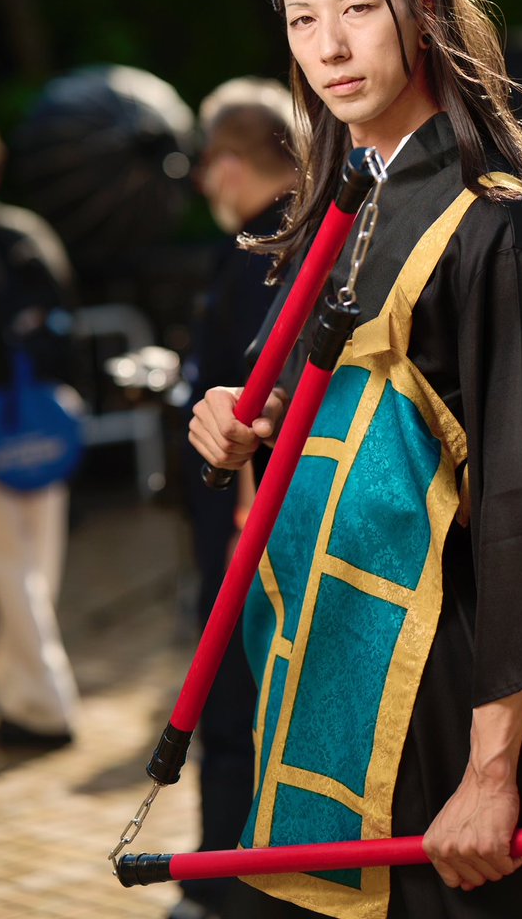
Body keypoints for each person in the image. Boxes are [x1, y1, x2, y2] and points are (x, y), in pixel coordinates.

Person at [189, 0, 522, 918]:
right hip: (329, 675)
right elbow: (335, 411)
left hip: (450, 693)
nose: (329, 46)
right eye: (302, 19)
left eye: (357, 9)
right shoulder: (342, 203)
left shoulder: (488, 225)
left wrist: (492, 774)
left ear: (422, 11)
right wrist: (240, 417)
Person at [171, 78, 298, 919]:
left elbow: (263, 396)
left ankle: (222, 882)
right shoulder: (280, 239)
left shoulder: (268, 248)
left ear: (225, 164)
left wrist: (243, 530)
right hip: (242, 530)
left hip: (248, 539)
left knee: (231, 710)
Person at [0, 123, 81, 749]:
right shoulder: (29, 235)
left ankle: (42, 705)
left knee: (11, 571)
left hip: (5, 429)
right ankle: (20, 691)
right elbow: (65, 327)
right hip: (46, 425)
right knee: (35, 569)